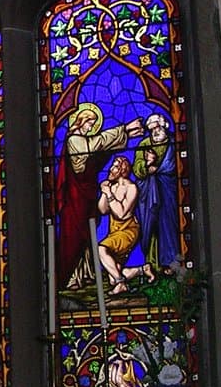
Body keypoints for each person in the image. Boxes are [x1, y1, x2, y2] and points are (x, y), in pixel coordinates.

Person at [55, 103, 143, 291]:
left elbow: (97, 157)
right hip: (75, 200)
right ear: (81, 122)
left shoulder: (85, 142)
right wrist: (124, 130)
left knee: (87, 234)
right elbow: (97, 144)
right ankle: (71, 276)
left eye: (93, 123)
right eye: (89, 123)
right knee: (75, 236)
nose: (91, 127)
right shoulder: (75, 140)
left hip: (86, 196)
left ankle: (85, 274)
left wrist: (124, 137)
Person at [132, 111, 180, 272]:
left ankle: (170, 261)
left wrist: (156, 167)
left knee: (168, 224)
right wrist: (147, 164)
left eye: (158, 127)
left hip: (168, 191)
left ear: (164, 126)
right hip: (148, 194)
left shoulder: (173, 143)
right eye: (152, 129)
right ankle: (151, 264)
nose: (155, 131)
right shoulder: (143, 145)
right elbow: (137, 169)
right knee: (150, 227)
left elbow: (174, 166)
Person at [97, 155, 140, 294]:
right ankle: (141, 270)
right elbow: (103, 210)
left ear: (122, 169)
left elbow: (121, 213)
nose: (110, 169)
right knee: (113, 275)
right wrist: (105, 192)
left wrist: (109, 194)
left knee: (101, 249)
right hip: (113, 230)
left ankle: (121, 283)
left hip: (128, 230)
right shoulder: (112, 187)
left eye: (114, 166)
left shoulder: (131, 188)